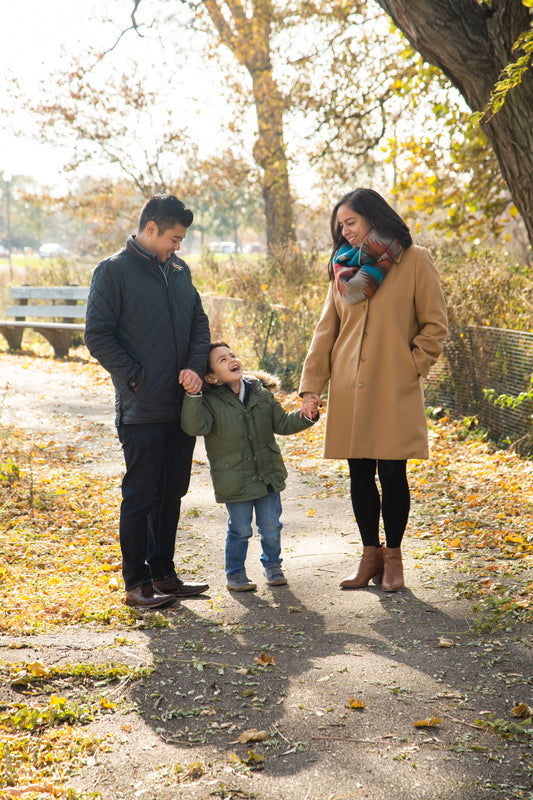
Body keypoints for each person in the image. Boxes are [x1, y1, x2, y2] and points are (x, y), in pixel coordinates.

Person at [299, 188, 448, 592]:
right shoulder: (341, 267)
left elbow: (435, 325)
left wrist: (412, 366)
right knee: (359, 473)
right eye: (340, 225)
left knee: (393, 472)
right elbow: (326, 330)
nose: (344, 231)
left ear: (372, 216)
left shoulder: (414, 260)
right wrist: (311, 387)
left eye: (350, 222)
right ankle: (369, 557)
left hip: (394, 385)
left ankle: (394, 560)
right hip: (349, 386)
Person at [84, 194, 211, 609]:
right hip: (141, 408)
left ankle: (163, 574)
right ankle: (136, 584)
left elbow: (199, 322)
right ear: (151, 228)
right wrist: (137, 377)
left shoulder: (179, 270)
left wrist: (195, 366)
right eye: (175, 238)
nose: (178, 246)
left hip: (182, 405)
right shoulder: (112, 271)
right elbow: (97, 335)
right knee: (141, 496)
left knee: (171, 493)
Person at [181, 342, 318, 592]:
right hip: (234, 479)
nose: (232, 360)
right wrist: (193, 396)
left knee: (271, 527)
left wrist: (306, 415)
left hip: (267, 474)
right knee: (240, 529)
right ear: (211, 377)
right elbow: (195, 427)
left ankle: (273, 566)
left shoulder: (260, 391)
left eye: (232, 355)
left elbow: (282, 423)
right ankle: (235, 573)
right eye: (222, 360)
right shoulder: (209, 401)